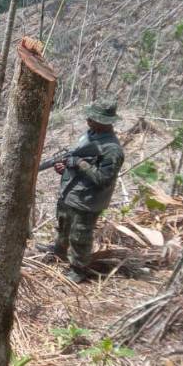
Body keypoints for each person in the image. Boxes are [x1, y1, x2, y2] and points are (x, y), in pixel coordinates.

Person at [39, 99, 124, 283]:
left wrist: (78, 163)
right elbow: (77, 161)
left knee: (80, 237)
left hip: (87, 200)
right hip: (70, 194)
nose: (88, 120)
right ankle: (59, 251)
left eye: (93, 118)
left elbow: (103, 179)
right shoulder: (90, 136)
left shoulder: (112, 150)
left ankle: (78, 270)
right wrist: (65, 167)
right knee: (63, 227)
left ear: (105, 122)